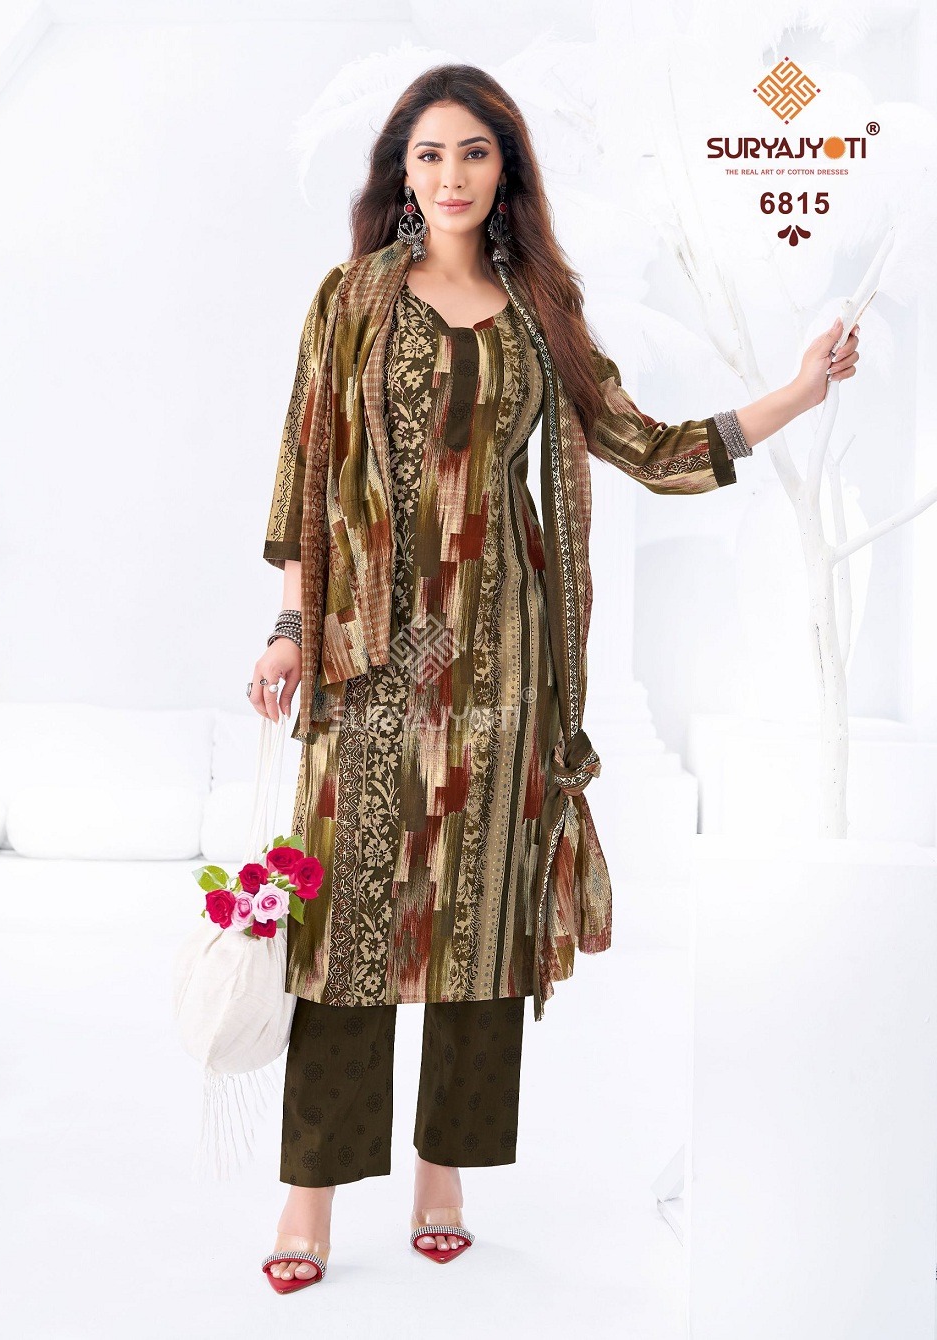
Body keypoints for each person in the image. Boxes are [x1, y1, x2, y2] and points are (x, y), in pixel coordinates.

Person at [247, 64, 859, 1294]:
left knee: (478, 920)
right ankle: (308, 1195)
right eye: (429, 154)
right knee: (347, 928)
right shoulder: (349, 300)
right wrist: (290, 625)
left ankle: (443, 1175)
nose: (451, 175)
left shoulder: (540, 309)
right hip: (372, 661)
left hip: (502, 663)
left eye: (473, 153)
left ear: (505, 170)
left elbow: (645, 445)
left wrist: (797, 393)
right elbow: (307, 469)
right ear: (401, 170)